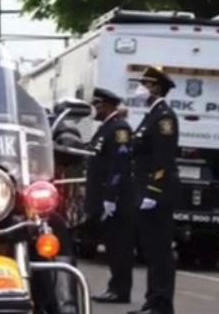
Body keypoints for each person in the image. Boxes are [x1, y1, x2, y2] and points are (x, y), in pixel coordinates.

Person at [129, 66, 179, 314]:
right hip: (144, 190)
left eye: (145, 84)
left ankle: (161, 304)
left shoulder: (164, 118)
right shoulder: (151, 115)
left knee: (160, 251)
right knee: (150, 249)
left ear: (157, 88)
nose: (140, 88)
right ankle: (152, 301)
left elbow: (163, 158)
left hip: (156, 193)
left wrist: (154, 191)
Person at [87, 88, 135, 304]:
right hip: (105, 195)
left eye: (97, 104)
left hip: (117, 199)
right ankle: (115, 286)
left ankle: (120, 290)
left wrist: (111, 197)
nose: (94, 109)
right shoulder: (106, 128)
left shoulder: (119, 129)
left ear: (106, 106)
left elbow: (120, 165)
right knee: (112, 245)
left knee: (120, 246)